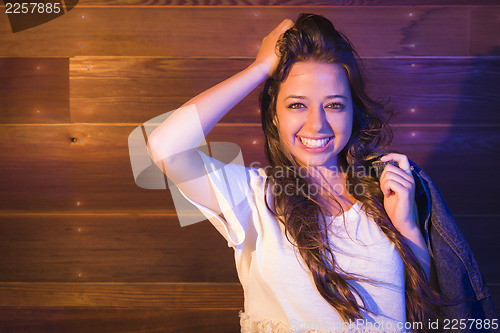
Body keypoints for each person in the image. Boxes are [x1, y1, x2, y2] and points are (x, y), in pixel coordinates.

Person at [146, 13, 492, 332]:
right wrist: (260, 67)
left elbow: (424, 305)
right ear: (275, 115)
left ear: (353, 112)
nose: (317, 123)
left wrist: (407, 227)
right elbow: (164, 145)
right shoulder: (249, 195)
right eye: (297, 104)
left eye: (334, 105)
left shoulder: (384, 188)